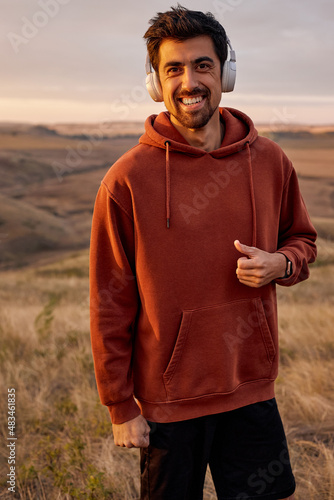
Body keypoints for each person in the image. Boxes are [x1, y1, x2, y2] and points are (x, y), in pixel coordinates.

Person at [89, 5, 317, 499]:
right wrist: (120, 407)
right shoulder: (126, 180)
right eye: (174, 69)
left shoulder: (271, 160)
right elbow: (109, 302)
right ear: (156, 82)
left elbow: (304, 242)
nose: (189, 81)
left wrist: (281, 264)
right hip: (168, 404)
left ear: (226, 73)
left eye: (202, 65)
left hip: (251, 391)